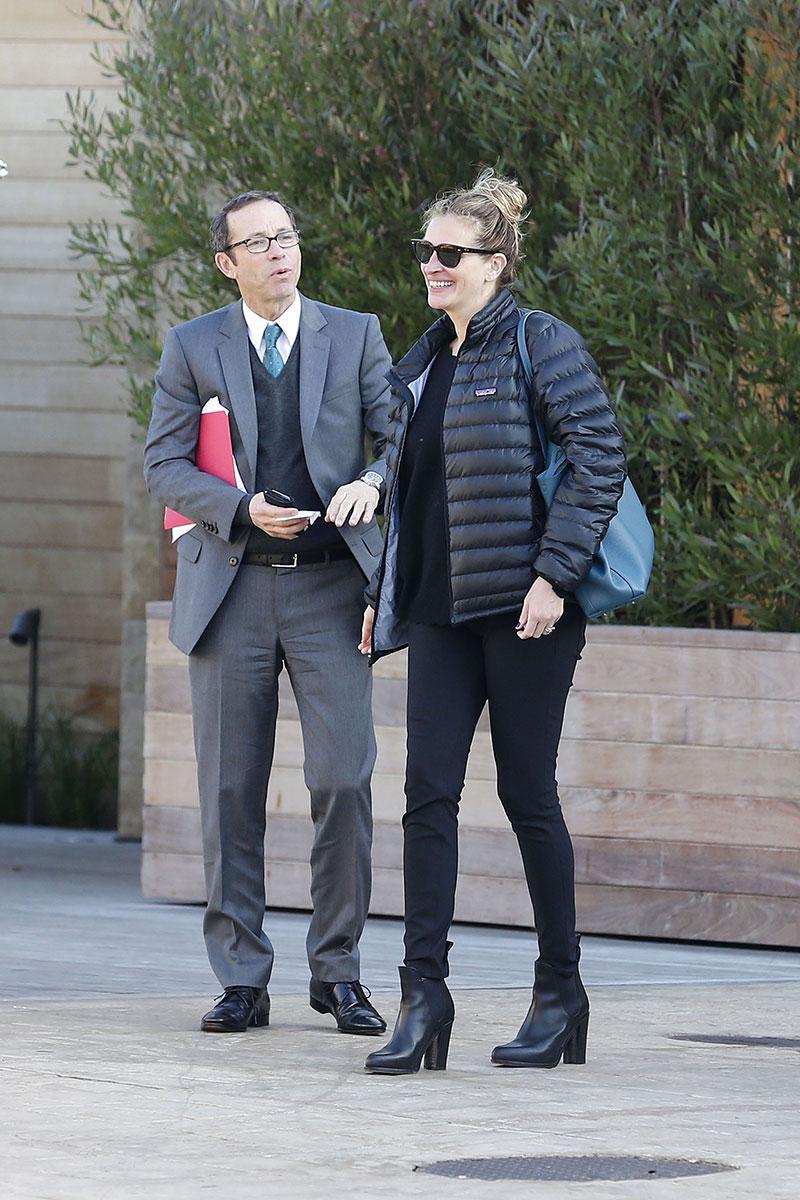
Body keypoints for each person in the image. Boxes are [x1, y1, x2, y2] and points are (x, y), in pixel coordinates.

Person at [360, 169, 627, 1074]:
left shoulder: (539, 343)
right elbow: (410, 484)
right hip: (438, 609)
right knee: (424, 796)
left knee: (527, 798)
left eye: (451, 253)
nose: (432, 266)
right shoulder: (427, 354)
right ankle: (423, 999)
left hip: (524, 613)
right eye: (427, 252)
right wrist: (383, 597)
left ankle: (561, 994)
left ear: (497, 264)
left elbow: (599, 455)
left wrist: (554, 576)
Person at [144, 190, 391, 1036]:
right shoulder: (191, 346)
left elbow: (401, 439)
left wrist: (373, 480)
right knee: (229, 790)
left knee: (344, 781)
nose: (279, 252)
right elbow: (165, 464)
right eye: (258, 242)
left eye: (286, 236)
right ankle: (242, 977)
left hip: (330, 590)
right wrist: (242, 509)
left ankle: (339, 973)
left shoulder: (355, 333)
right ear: (227, 262)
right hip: (232, 589)